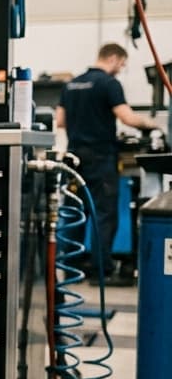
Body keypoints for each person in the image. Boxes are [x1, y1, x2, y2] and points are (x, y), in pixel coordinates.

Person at [54, 43, 159, 282]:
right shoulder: (109, 84)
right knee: (103, 215)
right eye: (121, 64)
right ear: (112, 58)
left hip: (74, 158)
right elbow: (126, 117)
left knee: (75, 213)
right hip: (100, 158)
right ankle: (101, 271)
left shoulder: (71, 84)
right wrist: (152, 125)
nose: (120, 70)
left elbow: (60, 121)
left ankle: (71, 269)